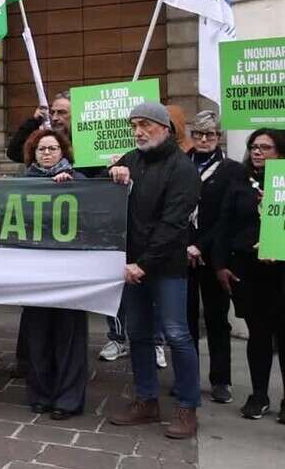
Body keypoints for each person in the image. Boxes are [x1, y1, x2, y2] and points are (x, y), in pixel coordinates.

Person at [107, 102, 201, 440]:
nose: (138, 132)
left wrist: (142, 264)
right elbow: (111, 198)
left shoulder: (183, 170)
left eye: (145, 125)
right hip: (133, 268)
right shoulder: (131, 160)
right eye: (134, 126)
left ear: (165, 128)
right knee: (140, 335)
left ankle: (188, 407)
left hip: (164, 269)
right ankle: (147, 400)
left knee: (177, 335)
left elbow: (173, 225)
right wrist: (112, 173)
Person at [213, 129, 285, 421]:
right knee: (259, 334)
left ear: (279, 152)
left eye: (265, 147)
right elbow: (224, 225)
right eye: (254, 147)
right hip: (249, 270)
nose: (257, 152)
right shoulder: (240, 183)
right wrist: (220, 265)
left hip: (281, 271)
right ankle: (259, 395)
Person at [19, 130, 88, 420]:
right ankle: (40, 394)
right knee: (37, 335)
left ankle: (68, 399)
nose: (47, 154)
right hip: (34, 272)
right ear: (33, 154)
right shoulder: (22, 183)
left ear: (63, 152)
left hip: (69, 273)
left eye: (53, 148)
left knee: (69, 336)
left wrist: (69, 189)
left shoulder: (80, 181)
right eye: (41, 149)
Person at [185, 111, 244, 404]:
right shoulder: (181, 164)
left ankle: (221, 380)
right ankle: (188, 378)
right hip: (182, 254)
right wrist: (186, 246)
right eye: (198, 134)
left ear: (218, 136)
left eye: (210, 134)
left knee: (217, 318)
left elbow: (226, 217)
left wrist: (201, 246)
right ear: (191, 136)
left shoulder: (232, 169)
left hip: (215, 254)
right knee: (185, 320)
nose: (204, 139)